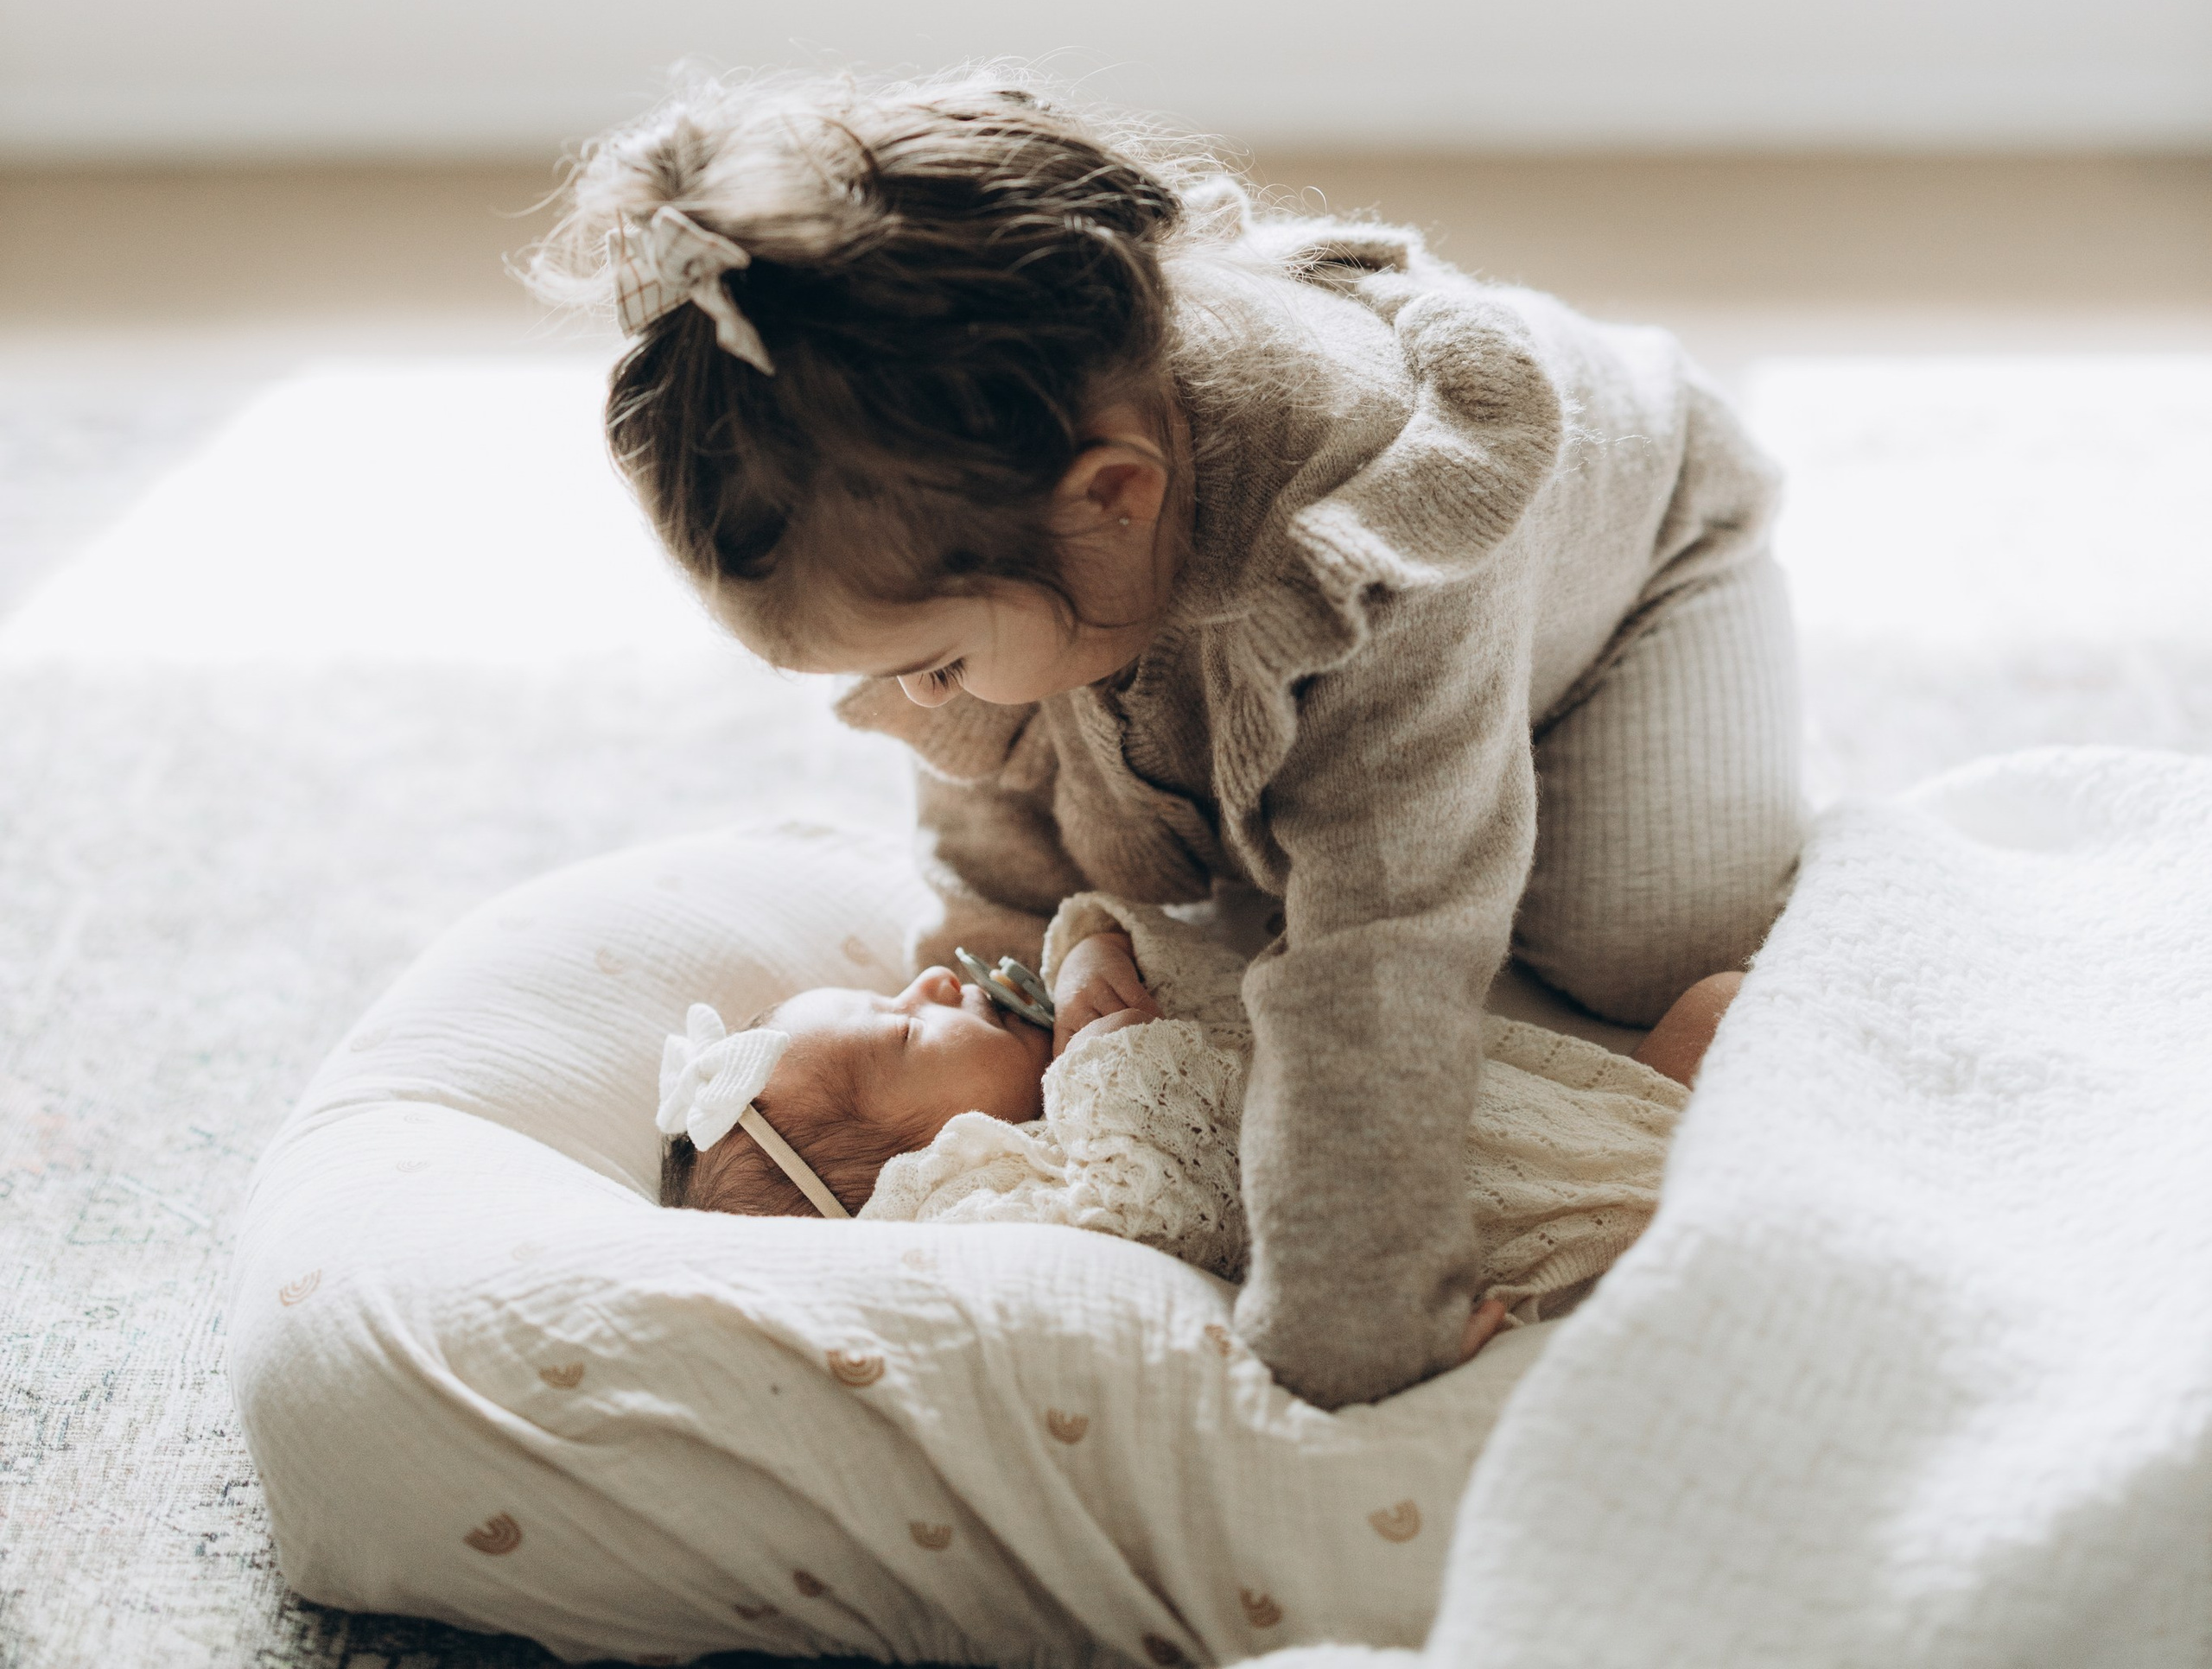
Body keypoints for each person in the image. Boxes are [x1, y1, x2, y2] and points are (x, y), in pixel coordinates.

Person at [531, 72, 1800, 1408]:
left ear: (1114, 498)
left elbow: (1382, 955)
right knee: (1127, 812)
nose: (922, 704)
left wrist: (1358, 1317)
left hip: (1645, 572)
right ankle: (1369, 764)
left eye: (937, 663)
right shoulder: (1010, 508)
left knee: (1639, 947)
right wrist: (1019, 964)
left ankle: (1519, 764)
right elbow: (996, 798)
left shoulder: (1372, 535)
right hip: (1230, 612)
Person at [656, 904, 1744, 1355]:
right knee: (1718, 1065)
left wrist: (1091, 950)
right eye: (902, 1033)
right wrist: (1105, 1057)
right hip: (1476, 1211)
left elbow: (1178, 958)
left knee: (1716, 1014)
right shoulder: (979, 1201)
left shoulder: (1053, 1054)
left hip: (1477, 1099)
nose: (932, 982)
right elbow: (1147, 1215)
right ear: (904, 1168)